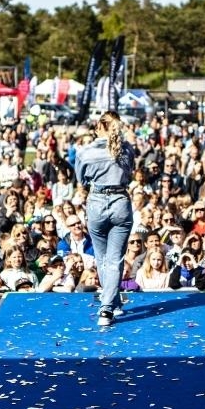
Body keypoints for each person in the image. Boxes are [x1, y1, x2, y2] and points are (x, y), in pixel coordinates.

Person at [74, 111, 136, 327]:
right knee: (114, 258)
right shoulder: (127, 148)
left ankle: (106, 308)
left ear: (99, 127)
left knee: (103, 258)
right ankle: (114, 302)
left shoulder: (86, 151)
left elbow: (80, 178)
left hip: (97, 202)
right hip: (120, 201)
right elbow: (130, 173)